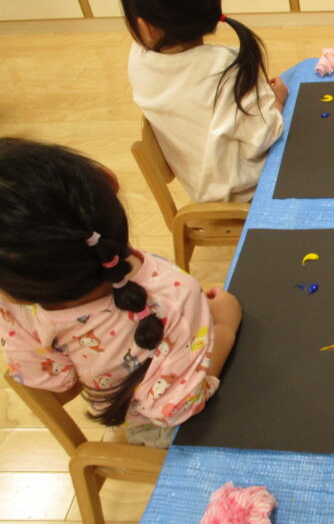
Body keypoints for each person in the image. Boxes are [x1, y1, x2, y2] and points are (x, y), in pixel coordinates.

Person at [0, 138, 242, 448]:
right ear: (109, 181)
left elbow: (55, 380)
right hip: (165, 427)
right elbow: (176, 407)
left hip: (128, 408)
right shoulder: (175, 295)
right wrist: (225, 327)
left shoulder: (15, 309)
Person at [118, 0, 287, 203]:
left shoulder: (139, 62)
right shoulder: (227, 68)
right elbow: (264, 136)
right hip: (251, 195)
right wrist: (277, 101)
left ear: (146, 27)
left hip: (204, 192)